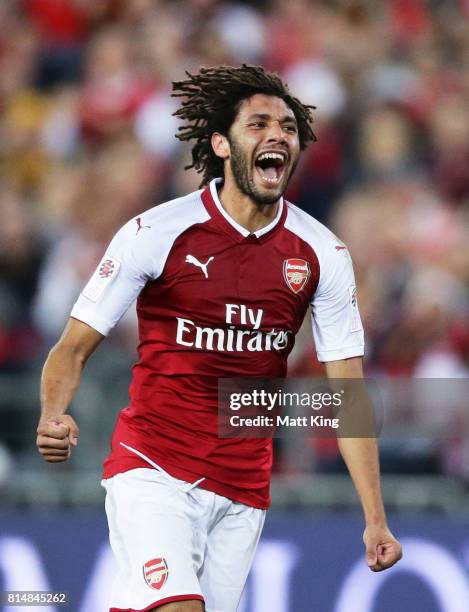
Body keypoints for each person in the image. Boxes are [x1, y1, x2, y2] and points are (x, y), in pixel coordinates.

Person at [37, 65, 402, 612]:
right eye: (258, 124)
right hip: (151, 468)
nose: (277, 134)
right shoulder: (155, 233)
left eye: (287, 126)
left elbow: (345, 395)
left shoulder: (322, 254)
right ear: (222, 144)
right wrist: (52, 412)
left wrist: (376, 518)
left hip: (241, 489)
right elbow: (72, 345)